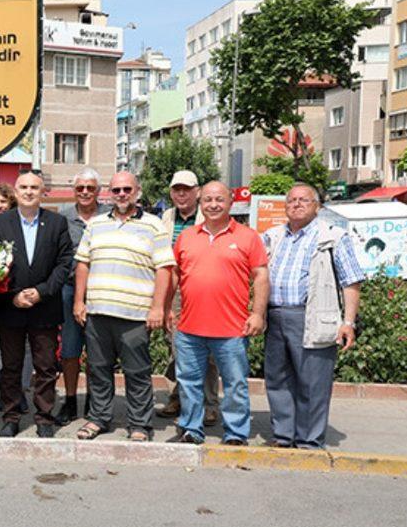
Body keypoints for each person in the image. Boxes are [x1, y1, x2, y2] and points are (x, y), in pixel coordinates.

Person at [261, 183, 365, 449]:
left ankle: (309, 440)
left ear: (316, 206)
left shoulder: (332, 237)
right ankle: (284, 436)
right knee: (278, 379)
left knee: (313, 381)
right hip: (275, 317)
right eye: (292, 200)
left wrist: (348, 322)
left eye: (304, 200)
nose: (296, 204)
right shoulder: (272, 236)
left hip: (313, 316)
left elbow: (351, 281)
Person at [73, 172, 174, 442]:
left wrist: (158, 309)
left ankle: (140, 425)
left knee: (137, 372)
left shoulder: (154, 225)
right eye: (116, 190)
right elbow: (83, 264)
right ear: (108, 192)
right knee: (98, 370)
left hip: (135, 315)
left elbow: (164, 269)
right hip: (98, 312)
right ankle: (98, 419)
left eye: (126, 189)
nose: (121, 194)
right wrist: (79, 301)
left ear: (137, 191)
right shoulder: (95, 224)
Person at [171, 182, 268, 445]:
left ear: (231, 202)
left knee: (235, 384)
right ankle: (191, 429)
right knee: (189, 382)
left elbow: (260, 276)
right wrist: (169, 308)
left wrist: (258, 314)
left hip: (232, 329)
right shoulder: (187, 236)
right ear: (200, 203)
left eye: (219, 200)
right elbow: (174, 276)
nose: (213, 205)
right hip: (189, 328)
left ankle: (235, 433)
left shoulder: (248, 237)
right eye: (208, 200)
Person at [0, 171, 74, 438]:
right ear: (15, 191)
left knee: (46, 366)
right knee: (11, 366)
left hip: (45, 306)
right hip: (9, 305)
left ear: (42, 191)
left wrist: (40, 292)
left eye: (34, 187)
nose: (28, 192)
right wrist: (13, 294)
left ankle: (44, 417)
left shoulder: (57, 223)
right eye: (23, 187)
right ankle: (11, 416)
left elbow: (64, 263)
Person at [157, 170, 220, 424]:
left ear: (198, 192)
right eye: (176, 190)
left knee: (207, 351)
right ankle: (179, 396)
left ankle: (209, 403)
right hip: (173, 289)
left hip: (202, 289)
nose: (181, 194)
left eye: (187, 189)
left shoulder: (209, 216)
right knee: (177, 347)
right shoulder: (166, 218)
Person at [55, 169, 109, 424]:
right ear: (73, 191)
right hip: (68, 290)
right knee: (70, 348)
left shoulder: (110, 216)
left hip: (102, 291)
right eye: (80, 188)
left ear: (99, 190)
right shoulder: (63, 217)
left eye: (90, 188)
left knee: (98, 350)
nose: (85, 192)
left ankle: (93, 401)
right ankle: (69, 400)